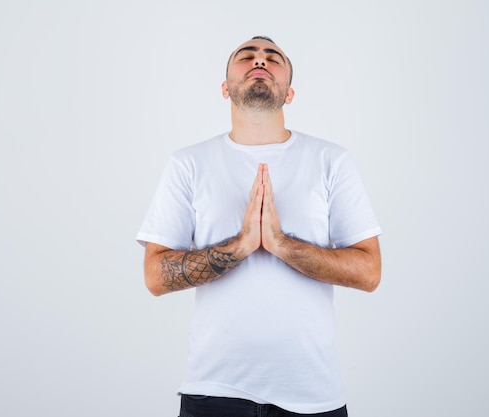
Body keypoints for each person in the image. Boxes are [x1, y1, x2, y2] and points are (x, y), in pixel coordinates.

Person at [136, 35, 382, 417]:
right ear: (225, 88)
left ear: (290, 92)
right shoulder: (188, 163)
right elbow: (154, 276)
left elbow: (369, 272)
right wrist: (240, 246)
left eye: (273, 58)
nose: (260, 60)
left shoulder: (331, 160)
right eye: (246, 56)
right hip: (213, 392)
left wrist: (282, 245)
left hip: (313, 394)